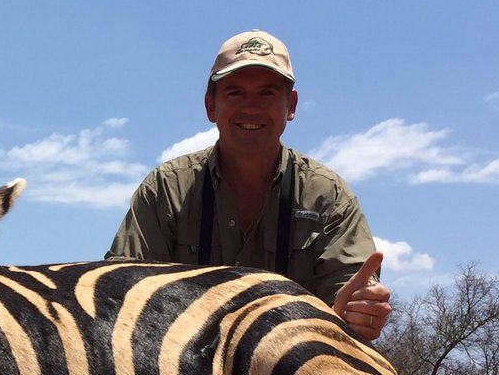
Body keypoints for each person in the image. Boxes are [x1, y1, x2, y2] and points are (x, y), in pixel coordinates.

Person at [106, 29, 390, 340]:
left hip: (295, 374)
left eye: (267, 93)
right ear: (210, 106)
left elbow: (349, 303)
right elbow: (121, 293)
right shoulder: (165, 189)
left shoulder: (328, 196)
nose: (251, 107)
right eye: (235, 93)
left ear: (291, 105)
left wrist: (361, 311)